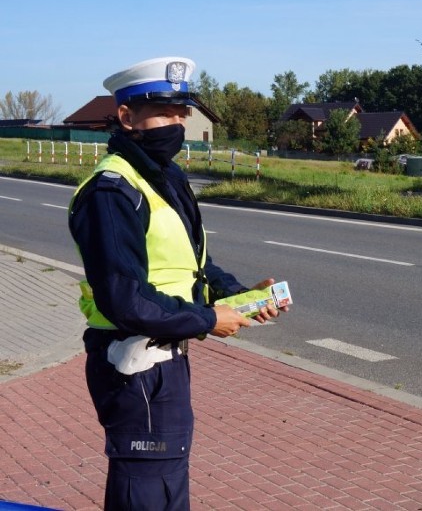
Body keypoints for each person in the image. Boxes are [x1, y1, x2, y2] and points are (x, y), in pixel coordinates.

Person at [68, 56, 286, 510]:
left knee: (167, 486)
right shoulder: (111, 191)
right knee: (148, 492)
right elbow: (123, 296)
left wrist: (241, 297)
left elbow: (191, 267)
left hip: (165, 362)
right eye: (166, 112)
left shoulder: (165, 177)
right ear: (127, 117)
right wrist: (208, 320)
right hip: (132, 365)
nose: (179, 123)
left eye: (182, 112)